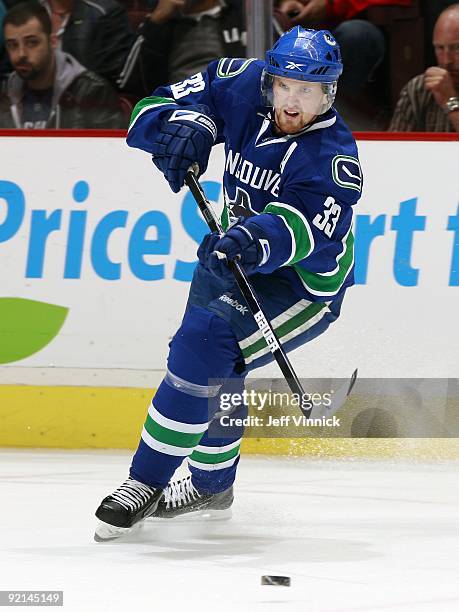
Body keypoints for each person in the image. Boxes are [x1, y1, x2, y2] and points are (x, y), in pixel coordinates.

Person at [94, 26, 363, 541]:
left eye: (307, 91)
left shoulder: (333, 155)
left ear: (329, 92)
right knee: (212, 358)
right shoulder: (240, 81)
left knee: (203, 345)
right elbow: (146, 111)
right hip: (228, 250)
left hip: (301, 285)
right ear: (271, 79)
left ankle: (143, 481)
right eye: (285, 85)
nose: (292, 100)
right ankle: (212, 485)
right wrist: (185, 127)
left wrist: (254, 239)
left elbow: (306, 231)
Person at [0, 1, 126, 128]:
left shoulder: (91, 92)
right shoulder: (4, 95)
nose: (21, 54)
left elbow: (109, 147)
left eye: (32, 43)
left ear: (53, 42)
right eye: (13, 45)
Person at [118, 0, 246, 95]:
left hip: (232, 105)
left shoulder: (239, 15)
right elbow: (128, 82)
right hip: (178, 109)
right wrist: (155, 21)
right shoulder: (160, 23)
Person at [389, 3, 459, 132]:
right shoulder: (419, 89)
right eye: (440, 48)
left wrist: (450, 101)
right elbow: (395, 148)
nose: (446, 60)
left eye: (456, 48)